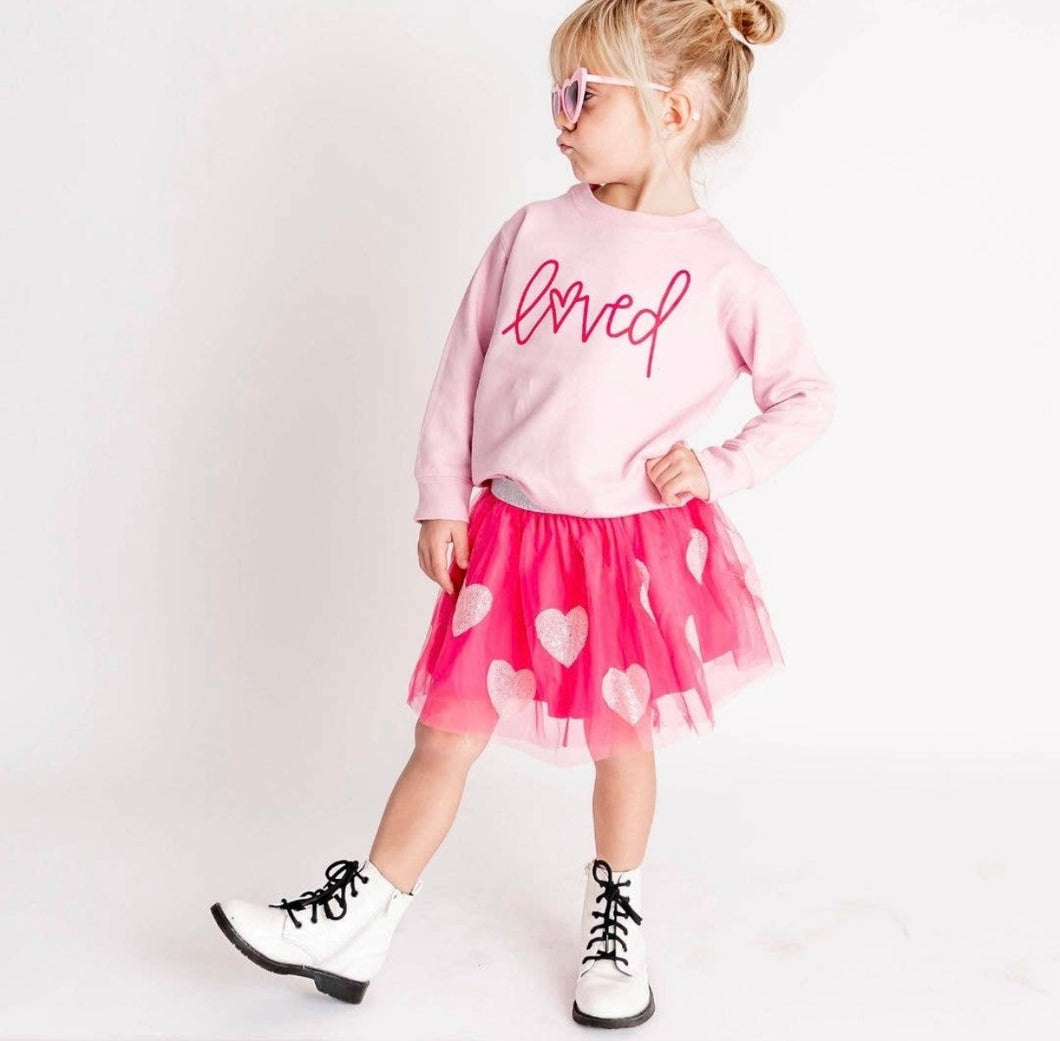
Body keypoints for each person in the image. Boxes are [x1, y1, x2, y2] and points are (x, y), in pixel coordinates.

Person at [210, 0, 836, 1029]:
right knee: (443, 732)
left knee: (621, 742)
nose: (559, 118)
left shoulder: (724, 273)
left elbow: (805, 396)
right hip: (512, 537)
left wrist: (719, 467)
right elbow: (463, 369)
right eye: (556, 94)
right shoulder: (532, 233)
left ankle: (615, 921)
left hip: (627, 549)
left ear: (673, 111)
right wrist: (441, 496)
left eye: (582, 95)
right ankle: (359, 920)